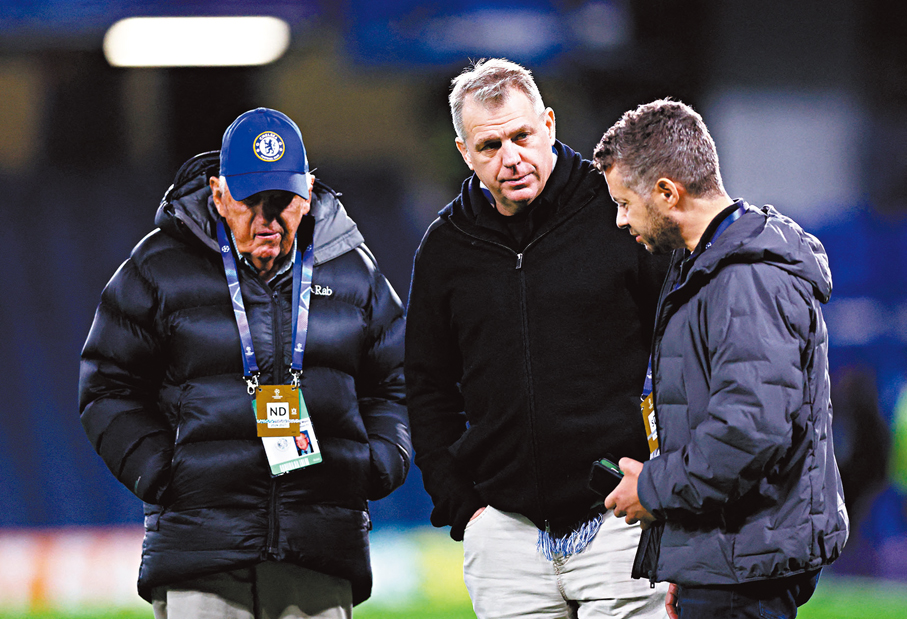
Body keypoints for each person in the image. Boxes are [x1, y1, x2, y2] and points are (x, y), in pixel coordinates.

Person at [80, 108, 411, 619]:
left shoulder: (352, 270)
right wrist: (163, 474)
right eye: (249, 201)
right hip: (201, 549)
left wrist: (376, 464)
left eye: (281, 201)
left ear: (308, 193)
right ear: (217, 194)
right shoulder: (159, 266)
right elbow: (106, 386)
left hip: (320, 545)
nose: (266, 220)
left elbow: (398, 382)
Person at [405, 58, 670, 618]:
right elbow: (427, 386)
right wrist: (462, 505)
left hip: (621, 518)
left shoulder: (618, 212)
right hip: (504, 535)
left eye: (522, 136)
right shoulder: (445, 248)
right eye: (490, 145)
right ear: (464, 152)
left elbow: (683, 348)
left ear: (549, 124)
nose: (511, 158)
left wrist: (664, 479)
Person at [593, 99, 849, 619]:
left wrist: (651, 490)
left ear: (667, 192)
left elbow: (749, 432)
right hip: (727, 558)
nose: (620, 220)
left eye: (624, 203)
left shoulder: (746, 278)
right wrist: (689, 559)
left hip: (745, 566)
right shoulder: (708, 265)